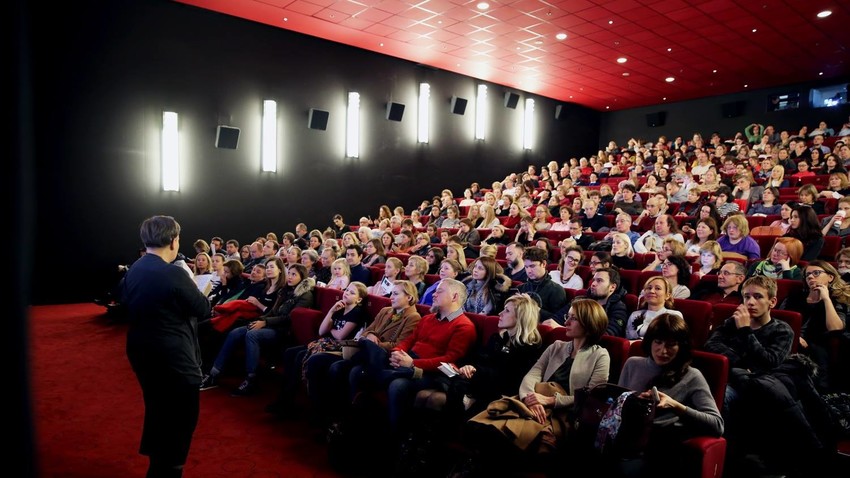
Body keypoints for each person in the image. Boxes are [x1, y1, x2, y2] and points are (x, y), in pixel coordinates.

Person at [462, 299, 610, 476]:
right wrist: (529, 398)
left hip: (563, 412)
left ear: (589, 323)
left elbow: (591, 396)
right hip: (533, 402)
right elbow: (532, 375)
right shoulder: (557, 346)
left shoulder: (600, 355)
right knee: (487, 430)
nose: (566, 322)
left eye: (574, 319)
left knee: (506, 437)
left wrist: (550, 400)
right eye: (567, 316)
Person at [121, 216, 211, 478]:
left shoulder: (135, 269)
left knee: (158, 408)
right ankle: (168, 469)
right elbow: (203, 308)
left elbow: (124, 301)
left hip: (141, 350)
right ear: (174, 241)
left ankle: (157, 465)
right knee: (181, 419)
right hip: (173, 357)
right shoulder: (174, 272)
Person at [348, 278, 476, 436]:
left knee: (397, 385)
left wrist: (412, 363)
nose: (434, 294)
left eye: (439, 291)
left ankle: (395, 437)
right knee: (358, 371)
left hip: (431, 372)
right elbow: (409, 340)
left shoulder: (464, 326)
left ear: (455, 297)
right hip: (407, 361)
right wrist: (397, 352)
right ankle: (358, 427)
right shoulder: (428, 318)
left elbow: (450, 359)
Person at [617, 314, 724, 478]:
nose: (662, 350)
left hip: (658, 450)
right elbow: (617, 406)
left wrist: (675, 406)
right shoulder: (633, 364)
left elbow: (717, 425)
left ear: (681, 347)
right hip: (625, 438)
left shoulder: (691, 376)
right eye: (658, 342)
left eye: (671, 345)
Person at [200, 263, 316, 396]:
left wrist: (264, 322)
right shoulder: (285, 290)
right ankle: (214, 373)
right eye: (289, 273)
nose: (289, 277)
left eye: (294, 274)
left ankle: (251, 380)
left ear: (302, 277)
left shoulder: (305, 295)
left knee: (252, 335)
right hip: (271, 324)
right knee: (236, 332)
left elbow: (289, 319)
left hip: (284, 330)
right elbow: (273, 311)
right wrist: (260, 319)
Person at [265, 282, 368, 418]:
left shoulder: (357, 313)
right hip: (327, 343)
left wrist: (331, 329)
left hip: (341, 349)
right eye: (347, 290)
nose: (347, 293)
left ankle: (313, 408)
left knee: (302, 356)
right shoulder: (339, 309)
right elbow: (321, 330)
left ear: (359, 300)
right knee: (290, 352)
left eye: (352, 292)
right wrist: (331, 311)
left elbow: (340, 336)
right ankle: (285, 399)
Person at [779, 261, 850, 392]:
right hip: (787, 339)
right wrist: (794, 337)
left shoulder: (837, 300)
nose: (811, 277)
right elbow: (779, 320)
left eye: (816, 273)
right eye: (808, 275)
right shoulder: (795, 297)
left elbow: (835, 328)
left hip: (817, 346)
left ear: (830, 277)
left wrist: (826, 299)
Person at [518, 247, 567, 327]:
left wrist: (533, 307)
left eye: (532, 266)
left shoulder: (557, 290)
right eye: (526, 267)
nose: (529, 271)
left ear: (544, 264)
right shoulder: (521, 288)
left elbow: (557, 320)